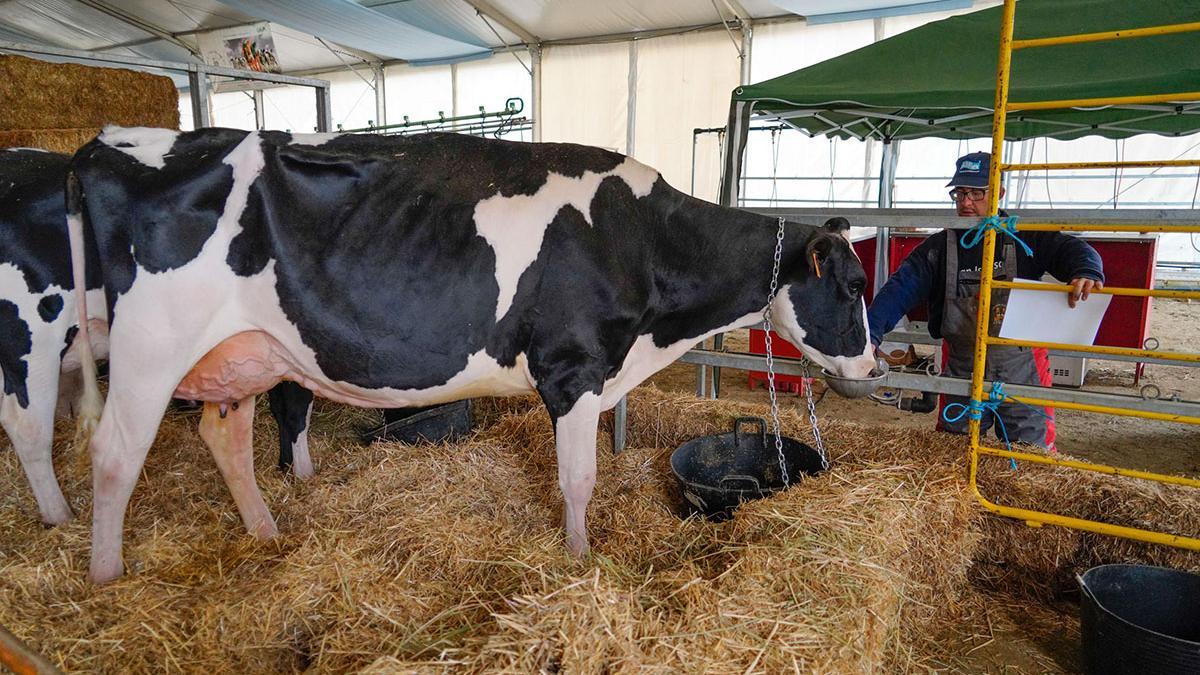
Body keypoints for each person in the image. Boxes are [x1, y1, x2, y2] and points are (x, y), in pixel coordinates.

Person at [867, 152, 1105, 451]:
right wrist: (871, 335)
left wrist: (1086, 270)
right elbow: (898, 290)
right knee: (953, 452)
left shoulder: (1026, 237)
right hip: (961, 363)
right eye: (960, 193)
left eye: (977, 193)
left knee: (1031, 453)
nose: (966, 202)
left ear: (999, 193)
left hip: (1022, 365)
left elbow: (1072, 250)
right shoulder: (938, 249)